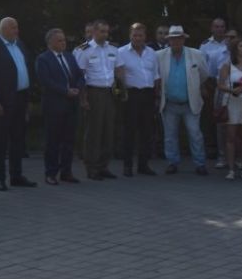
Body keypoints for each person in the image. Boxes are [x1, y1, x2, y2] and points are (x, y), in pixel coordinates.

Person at [0, 17, 35, 189]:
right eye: (13, 27)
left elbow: (27, 69)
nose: (16, 30)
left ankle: (16, 175)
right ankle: (0, 178)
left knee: (18, 139)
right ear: (3, 29)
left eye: (17, 27)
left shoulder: (20, 45)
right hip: (4, 100)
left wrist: (28, 99)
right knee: (2, 140)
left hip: (21, 97)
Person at [155, 26, 210, 175]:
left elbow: (204, 74)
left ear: (184, 39)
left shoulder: (196, 54)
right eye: (173, 39)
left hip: (190, 102)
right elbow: (156, 76)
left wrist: (194, 86)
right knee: (170, 136)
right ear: (169, 40)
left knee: (195, 134)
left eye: (179, 38)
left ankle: (200, 163)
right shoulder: (159, 55)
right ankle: (172, 162)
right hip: (169, 103)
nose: (176, 41)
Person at [36, 28, 83, 185]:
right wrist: (65, 91)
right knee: (53, 141)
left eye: (64, 40)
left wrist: (77, 88)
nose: (63, 43)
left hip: (71, 105)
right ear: (50, 42)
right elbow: (46, 81)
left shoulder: (69, 57)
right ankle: (50, 173)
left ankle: (66, 172)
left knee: (69, 140)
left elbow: (79, 75)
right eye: (60, 40)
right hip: (54, 105)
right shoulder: (43, 59)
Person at [74, 19, 118, 180]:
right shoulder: (83, 50)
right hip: (93, 92)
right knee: (94, 131)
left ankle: (103, 166)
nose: (105, 34)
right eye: (102, 31)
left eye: (106, 31)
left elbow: (118, 70)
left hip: (109, 92)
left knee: (108, 130)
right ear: (93, 32)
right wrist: (83, 98)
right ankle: (91, 167)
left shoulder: (113, 48)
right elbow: (80, 76)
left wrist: (121, 89)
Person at [114, 23, 159, 176]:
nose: (138, 38)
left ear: (145, 36)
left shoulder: (152, 53)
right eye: (135, 35)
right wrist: (121, 94)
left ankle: (143, 165)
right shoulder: (121, 52)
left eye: (141, 35)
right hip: (130, 95)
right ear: (130, 36)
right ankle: (127, 166)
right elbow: (118, 76)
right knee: (129, 131)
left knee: (147, 131)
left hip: (148, 94)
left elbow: (156, 75)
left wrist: (157, 95)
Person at [217, 38, 242, 180]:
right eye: (241, 46)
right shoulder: (227, 65)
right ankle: (231, 169)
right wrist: (231, 90)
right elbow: (220, 85)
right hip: (232, 102)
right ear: (235, 49)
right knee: (231, 138)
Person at [199, 17, 230, 167]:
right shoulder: (205, 45)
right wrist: (202, 86)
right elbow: (200, 66)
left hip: (229, 83)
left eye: (222, 26)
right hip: (210, 82)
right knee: (210, 116)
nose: (219, 29)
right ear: (212, 28)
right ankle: (211, 147)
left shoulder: (230, 43)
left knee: (226, 116)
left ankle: (226, 150)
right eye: (216, 26)